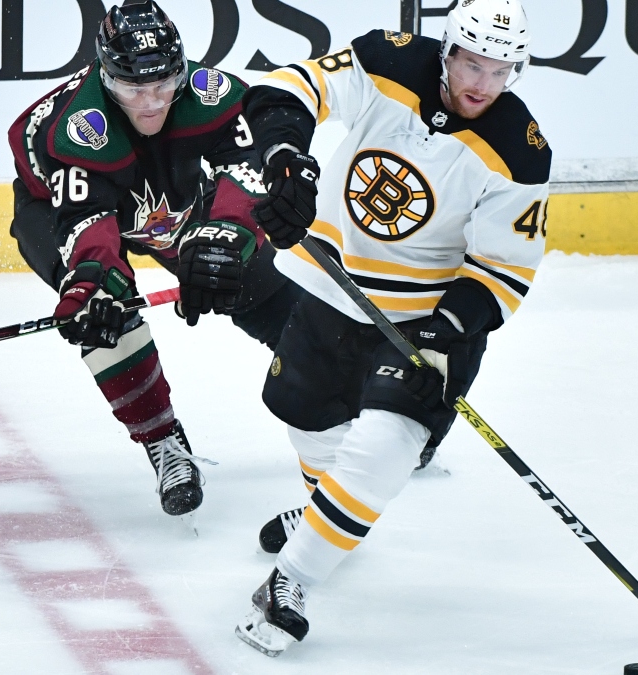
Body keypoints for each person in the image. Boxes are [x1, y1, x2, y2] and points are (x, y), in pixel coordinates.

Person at [233, 0, 553, 655]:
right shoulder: (387, 61)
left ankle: (290, 579)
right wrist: (286, 160)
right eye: (472, 63)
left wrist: (446, 332)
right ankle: (324, 516)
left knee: (383, 448)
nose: (483, 83)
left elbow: (502, 269)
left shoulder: (520, 151)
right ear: (448, 51)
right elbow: (287, 88)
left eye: (501, 70)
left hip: (426, 325)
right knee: (305, 417)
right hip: (333, 287)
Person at [6, 0, 303, 518]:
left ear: (181, 71)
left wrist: (228, 237)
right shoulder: (79, 127)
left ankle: (361, 402)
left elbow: (248, 166)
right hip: (56, 205)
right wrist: (91, 282)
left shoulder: (209, 93)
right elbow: (88, 224)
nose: (150, 103)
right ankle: (162, 440)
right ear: (106, 78)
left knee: (253, 282)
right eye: (132, 89)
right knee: (104, 311)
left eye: (164, 85)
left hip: (168, 187)